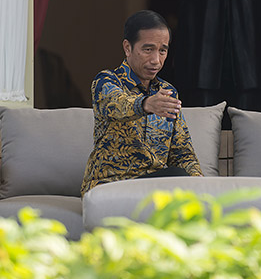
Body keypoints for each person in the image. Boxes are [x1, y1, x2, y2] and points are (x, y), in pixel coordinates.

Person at [81, 10, 202, 195]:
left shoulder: (169, 92)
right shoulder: (106, 81)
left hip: (154, 189)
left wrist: (200, 184)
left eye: (163, 50)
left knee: (184, 178)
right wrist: (146, 104)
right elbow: (117, 104)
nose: (156, 60)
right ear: (127, 48)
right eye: (148, 49)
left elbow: (182, 153)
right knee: (175, 178)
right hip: (108, 187)